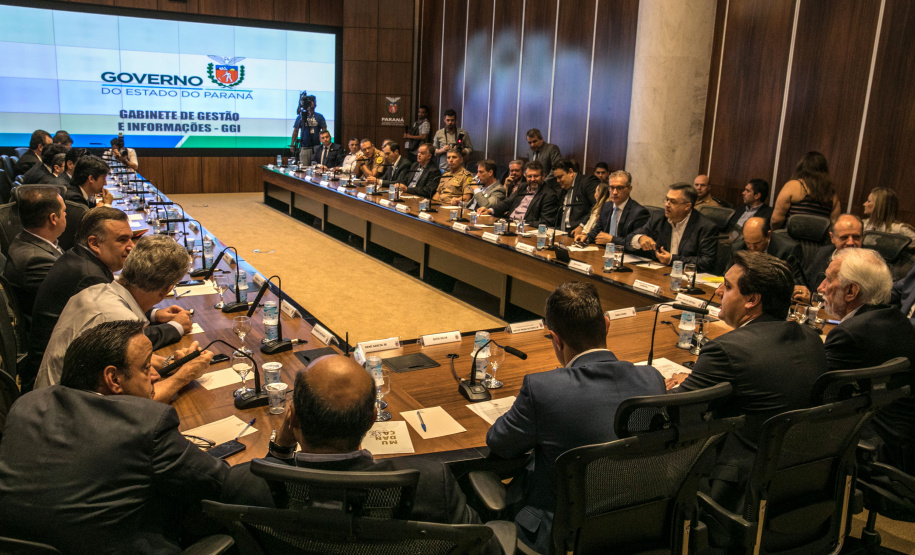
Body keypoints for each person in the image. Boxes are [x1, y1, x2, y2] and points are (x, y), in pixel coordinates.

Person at [0, 320, 226, 554]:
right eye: (146, 367)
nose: (156, 376)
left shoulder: (27, 403)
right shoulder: (144, 424)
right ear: (114, 379)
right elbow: (220, 482)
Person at [487, 282, 665, 552]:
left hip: (560, 537)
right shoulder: (653, 380)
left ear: (555, 339)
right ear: (607, 325)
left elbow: (500, 442)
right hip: (635, 530)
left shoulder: (543, 389)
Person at [222, 354, 482, 526]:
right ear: (371, 419)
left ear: (294, 420)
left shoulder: (245, 482)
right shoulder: (430, 483)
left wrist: (281, 448)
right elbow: (482, 545)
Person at [667, 251, 827, 509]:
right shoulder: (810, 338)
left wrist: (653, 382)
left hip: (737, 487)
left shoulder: (727, 349)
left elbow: (676, 411)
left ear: (752, 299)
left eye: (728, 286)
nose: (718, 291)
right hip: (801, 481)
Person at [35, 235, 198, 401]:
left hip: (46, 402)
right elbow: (142, 400)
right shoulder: (119, 320)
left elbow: (126, 362)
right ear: (166, 290)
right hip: (67, 413)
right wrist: (185, 375)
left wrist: (169, 363)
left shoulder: (97, 290)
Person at [819, 248, 915, 474]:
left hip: (876, 447)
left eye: (829, 279)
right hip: (903, 442)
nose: (821, 287)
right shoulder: (897, 319)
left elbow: (818, 391)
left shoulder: (850, 334)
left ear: (851, 291)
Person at [3, 187, 66, 320]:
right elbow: (70, 301)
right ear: (53, 218)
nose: (66, 215)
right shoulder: (36, 260)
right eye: (64, 211)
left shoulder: (26, 237)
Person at [627, 182, 719, 272]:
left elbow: (706, 262)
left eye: (673, 202)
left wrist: (672, 259)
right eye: (667, 199)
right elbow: (628, 239)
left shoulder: (706, 227)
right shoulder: (658, 218)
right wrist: (639, 238)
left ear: (687, 206)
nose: (667, 204)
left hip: (687, 278)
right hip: (659, 273)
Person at [728, 217, 806, 289]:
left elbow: (799, 282)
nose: (752, 248)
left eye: (756, 243)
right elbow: (727, 275)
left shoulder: (789, 250)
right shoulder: (738, 248)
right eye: (748, 243)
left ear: (768, 235)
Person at [771, 151, 841, 228]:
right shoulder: (832, 195)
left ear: (801, 167)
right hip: (818, 239)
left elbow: (776, 220)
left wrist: (774, 235)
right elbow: (834, 225)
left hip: (789, 238)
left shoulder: (793, 186)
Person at [479, 161, 559, 228]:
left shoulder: (549, 195)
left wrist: (519, 224)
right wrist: (490, 210)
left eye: (536, 176)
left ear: (543, 176)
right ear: (525, 176)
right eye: (529, 176)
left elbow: (546, 222)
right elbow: (508, 202)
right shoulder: (522, 187)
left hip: (525, 229)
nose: (532, 179)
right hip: (509, 224)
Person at [581, 170, 650, 246]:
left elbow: (635, 242)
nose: (614, 192)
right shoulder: (606, 206)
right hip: (605, 252)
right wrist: (586, 237)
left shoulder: (639, 212)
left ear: (629, 189)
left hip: (626, 255)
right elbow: (597, 231)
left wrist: (612, 240)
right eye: (611, 188)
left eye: (619, 188)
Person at [801, 213, 864, 295]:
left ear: (862, 237)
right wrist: (799, 287)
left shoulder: (870, 263)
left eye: (856, 237)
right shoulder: (822, 253)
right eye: (844, 237)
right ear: (832, 237)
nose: (850, 242)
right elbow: (804, 280)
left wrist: (814, 299)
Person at [551, 159, 598, 232]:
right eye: (556, 178)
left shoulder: (587, 182)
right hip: (561, 230)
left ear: (570, 172)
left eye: (560, 177)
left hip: (579, 231)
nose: (557, 181)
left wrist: (582, 226)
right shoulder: (564, 188)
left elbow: (597, 206)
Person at [290, 93, 326, 166]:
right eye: (310, 101)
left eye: (313, 101)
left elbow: (324, 131)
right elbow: (295, 131)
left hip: (317, 147)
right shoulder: (301, 117)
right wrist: (292, 144)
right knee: (304, 168)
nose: (312, 103)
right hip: (304, 147)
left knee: (316, 168)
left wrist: (324, 145)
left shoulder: (319, 117)